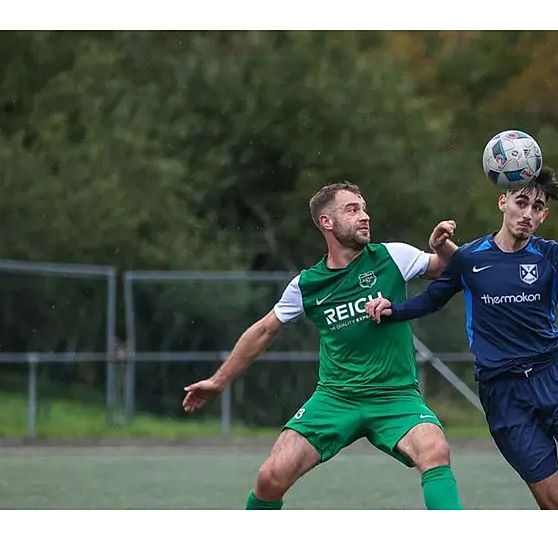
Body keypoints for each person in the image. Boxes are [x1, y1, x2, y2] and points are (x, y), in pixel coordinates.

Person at [182, 182, 463, 510]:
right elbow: (263, 330)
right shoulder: (306, 284)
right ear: (326, 222)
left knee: (435, 450)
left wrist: (441, 246)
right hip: (335, 398)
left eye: (364, 208)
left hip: (395, 396)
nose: (364, 216)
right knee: (270, 477)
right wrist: (219, 381)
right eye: (352, 209)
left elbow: (448, 268)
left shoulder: (392, 256)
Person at [366, 167, 558, 510]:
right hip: (504, 393)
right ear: (503, 201)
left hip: (557, 378)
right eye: (521, 202)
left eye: (537, 207)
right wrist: (391, 309)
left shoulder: (553, 256)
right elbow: (431, 300)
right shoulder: (470, 258)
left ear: (544, 215)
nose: (528, 213)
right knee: (556, 506)